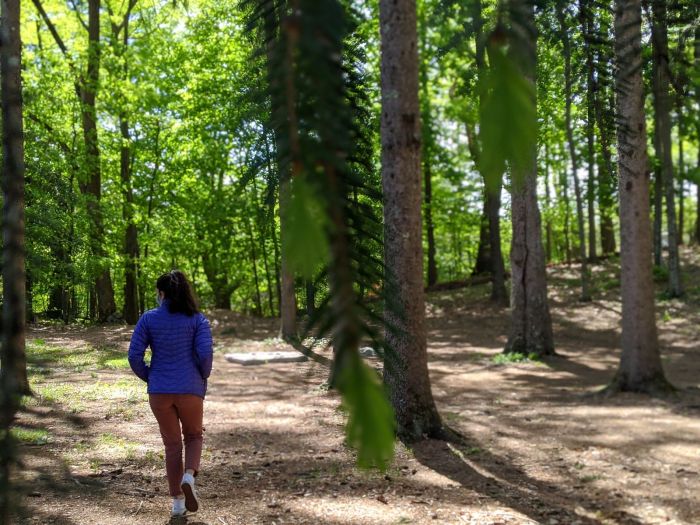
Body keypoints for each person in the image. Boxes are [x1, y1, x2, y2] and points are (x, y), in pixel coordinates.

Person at [128, 270, 213, 517]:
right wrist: (202, 377)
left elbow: (134, 356)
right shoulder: (198, 320)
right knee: (194, 436)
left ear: (161, 293)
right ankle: (189, 476)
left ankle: (177, 506)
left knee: (172, 445)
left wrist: (151, 377)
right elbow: (205, 356)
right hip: (190, 390)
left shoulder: (148, 318)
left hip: (160, 392)